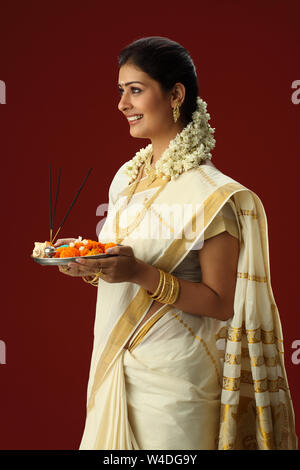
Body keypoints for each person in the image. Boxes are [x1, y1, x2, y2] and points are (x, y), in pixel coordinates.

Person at [56, 37, 297, 450]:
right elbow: (123, 274)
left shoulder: (212, 195)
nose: (122, 104)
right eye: (120, 91)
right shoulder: (126, 180)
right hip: (118, 365)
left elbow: (221, 302)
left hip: (177, 381)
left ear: (175, 95)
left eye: (135, 90)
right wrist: (90, 267)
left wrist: (138, 272)